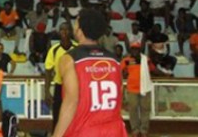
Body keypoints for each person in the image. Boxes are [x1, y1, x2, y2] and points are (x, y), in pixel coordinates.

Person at [51, 9, 127, 137]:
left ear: (80, 30)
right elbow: (121, 95)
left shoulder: (69, 59)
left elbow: (71, 102)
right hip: (114, 130)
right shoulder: (115, 60)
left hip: (85, 129)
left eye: (76, 23)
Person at [45, 22, 77, 130]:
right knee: (57, 115)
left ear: (71, 32)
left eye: (66, 29)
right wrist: (46, 91)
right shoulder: (54, 50)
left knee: (75, 114)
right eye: (61, 29)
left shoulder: (78, 48)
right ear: (59, 32)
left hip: (75, 87)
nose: (64, 32)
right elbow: (48, 71)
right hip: (59, 86)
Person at [121, 42, 153, 137]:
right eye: (133, 49)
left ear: (140, 50)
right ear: (130, 50)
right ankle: (135, 130)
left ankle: (144, 130)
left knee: (145, 110)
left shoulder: (145, 60)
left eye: (136, 49)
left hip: (145, 89)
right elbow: (119, 70)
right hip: (132, 89)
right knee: (133, 110)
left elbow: (152, 69)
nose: (134, 50)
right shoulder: (126, 60)